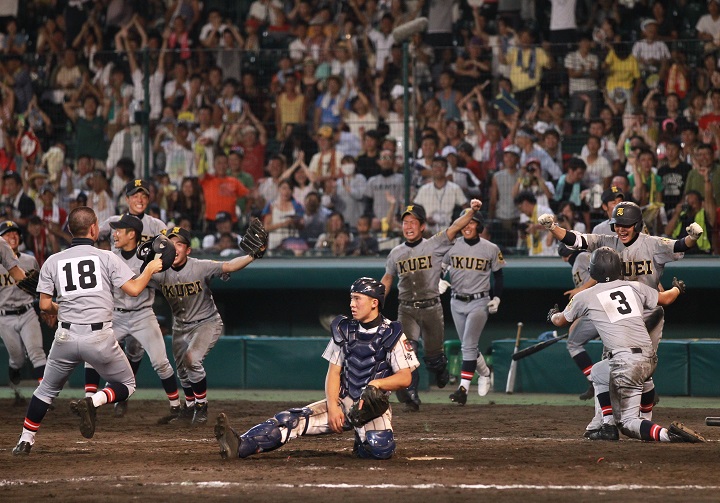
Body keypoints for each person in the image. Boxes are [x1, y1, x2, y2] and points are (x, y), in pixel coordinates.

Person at [12, 207, 164, 455]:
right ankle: (93, 401)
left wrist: (65, 306)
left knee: (46, 391)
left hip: (65, 336)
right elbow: (135, 289)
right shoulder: (107, 257)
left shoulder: (53, 260)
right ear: (94, 229)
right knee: (127, 383)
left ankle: (25, 440)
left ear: (70, 230)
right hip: (99, 336)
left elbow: (43, 306)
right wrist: (149, 269)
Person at [214, 277, 419, 460]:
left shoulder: (392, 332)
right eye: (351, 298)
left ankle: (362, 440)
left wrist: (377, 383)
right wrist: (333, 406)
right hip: (344, 401)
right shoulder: (344, 330)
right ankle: (241, 444)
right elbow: (333, 372)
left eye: (357, 299)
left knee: (380, 450)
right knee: (290, 421)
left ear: (374, 303)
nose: (352, 304)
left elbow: (405, 377)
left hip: (371, 409)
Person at [539, 201, 704, 416]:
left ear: (637, 224)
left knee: (641, 366)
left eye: (626, 224)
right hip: (615, 313)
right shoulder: (607, 242)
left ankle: (636, 415)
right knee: (612, 367)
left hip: (648, 309)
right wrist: (553, 228)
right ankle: (610, 418)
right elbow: (576, 240)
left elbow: (679, 245)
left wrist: (692, 237)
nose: (621, 229)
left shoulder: (651, 244)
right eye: (617, 224)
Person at [549, 247, 705, 444]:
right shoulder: (633, 287)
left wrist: (552, 314)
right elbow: (666, 298)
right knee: (599, 372)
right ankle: (609, 424)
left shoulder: (585, 295)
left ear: (594, 270)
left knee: (629, 423)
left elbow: (560, 321)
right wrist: (677, 289)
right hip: (649, 357)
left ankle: (668, 434)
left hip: (626, 363)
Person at [150, 225, 263, 426]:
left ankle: (202, 406)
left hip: (206, 322)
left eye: (179, 244)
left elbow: (229, 266)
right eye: (170, 244)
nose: (174, 249)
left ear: (188, 249)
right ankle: (190, 407)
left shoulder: (200, 266)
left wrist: (252, 256)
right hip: (180, 326)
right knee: (183, 371)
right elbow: (133, 281)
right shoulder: (158, 271)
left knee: (192, 359)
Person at [382, 198, 483, 412]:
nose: (408, 226)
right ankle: (411, 397)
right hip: (406, 309)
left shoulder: (434, 243)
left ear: (422, 226)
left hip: (431, 308)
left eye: (413, 222)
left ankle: (441, 370)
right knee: (407, 353)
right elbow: (388, 278)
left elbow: (456, 226)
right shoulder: (396, 253)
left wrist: (471, 211)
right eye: (405, 222)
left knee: (433, 359)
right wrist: (377, 298)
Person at [83, 214, 181, 420]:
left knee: (161, 362)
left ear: (132, 234)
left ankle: (176, 407)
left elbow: (165, 283)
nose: (114, 234)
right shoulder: (109, 257)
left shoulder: (148, 258)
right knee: (91, 354)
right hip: (115, 316)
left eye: (119, 231)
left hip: (143, 315)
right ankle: (88, 402)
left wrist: (161, 268)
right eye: (115, 230)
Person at [444, 211, 504, 405]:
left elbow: (499, 276)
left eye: (472, 223)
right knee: (467, 346)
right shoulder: (452, 246)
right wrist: (439, 279)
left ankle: (463, 389)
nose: (467, 227)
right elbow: (441, 267)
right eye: (464, 224)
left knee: (468, 345)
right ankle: (485, 373)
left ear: (479, 226)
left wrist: (497, 298)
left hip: (479, 301)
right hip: (456, 301)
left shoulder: (491, 248)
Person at [0, 221, 47, 405]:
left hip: (27, 312)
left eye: (15, 233)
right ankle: (14, 367)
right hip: (5, 316)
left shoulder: (29, 261)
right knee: (18, 358)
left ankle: (45, 396)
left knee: (37, 352)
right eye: (7, 233)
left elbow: (40, 287)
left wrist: (46, 305)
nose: (12, 236)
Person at [100, 179, 167, 243]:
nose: (140, 200)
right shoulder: (113, 222)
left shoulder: (157, 225)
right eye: (135, 196)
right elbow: (92, 235)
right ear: (127, 199)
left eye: (143, 197)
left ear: (148, 200)